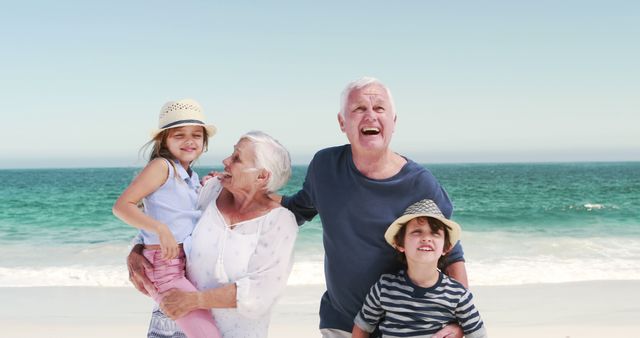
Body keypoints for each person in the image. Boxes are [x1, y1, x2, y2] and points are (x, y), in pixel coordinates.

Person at [278, 77, 468, 338]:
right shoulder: (324, 166)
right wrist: (237, 192)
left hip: (405, 328)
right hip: (339, 322)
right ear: (342, 122)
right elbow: (295, 209)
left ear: (394, 122)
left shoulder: (419, 183)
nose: (370, 116)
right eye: (358, 109)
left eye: (379, 109)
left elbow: (452, 256)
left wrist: (459, 322)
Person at [127, 131, 298, 338]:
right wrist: (136, 250)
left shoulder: (280, 222)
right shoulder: (211, 189)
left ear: (261, 176)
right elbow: (171, 222)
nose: (226, 161)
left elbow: (260, 293)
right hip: (174, 324)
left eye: (237, 158)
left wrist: (195, 300)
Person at [113, 98, 221, 338]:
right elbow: (122, 206)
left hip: (180, 265)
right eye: (179, 135)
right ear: (164, 140)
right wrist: (160, 229)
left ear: (204, 142)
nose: (189, 141)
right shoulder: (162, 167)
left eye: (196, 135)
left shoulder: (189, 176)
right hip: (165, 267)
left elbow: (183, 215)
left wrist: (209, 186)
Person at [352, 199, 487, 338]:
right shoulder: (384, 288)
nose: (426, 238)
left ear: (446, 248)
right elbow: (362, 327)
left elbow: (479, 335)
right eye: (417, 232)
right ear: (400, 243)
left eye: (435, 233)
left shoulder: (457, 294)